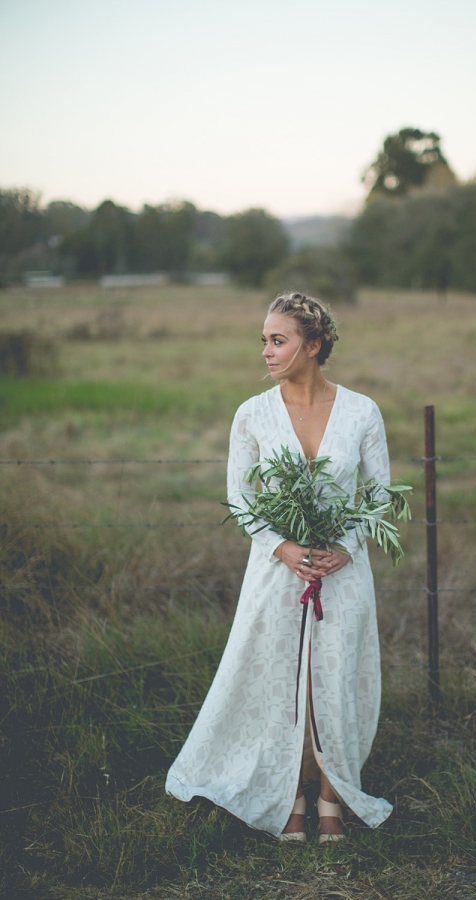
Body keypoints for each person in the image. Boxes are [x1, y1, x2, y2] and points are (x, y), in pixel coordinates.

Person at [166, 292, 393, 843]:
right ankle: (287, 795)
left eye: (278, 340)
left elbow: (379, 495)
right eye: (263, 341)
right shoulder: (252, 414)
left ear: (313, 346)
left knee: (334, 683)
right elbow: (239, 497)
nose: (266, 352)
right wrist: (282, 547)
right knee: (282, 680)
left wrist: (346, 545)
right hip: (277, 572)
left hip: (343, 571)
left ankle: (332, 798)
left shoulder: (362, 410)